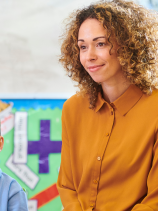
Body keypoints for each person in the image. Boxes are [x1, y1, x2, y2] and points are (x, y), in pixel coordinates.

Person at [57, 0, 158, 210]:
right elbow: (67, 187)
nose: (89, 56)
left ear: (129, 44)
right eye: (82, 46)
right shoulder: (72, 109)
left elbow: (155, 201)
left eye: (100, 43)